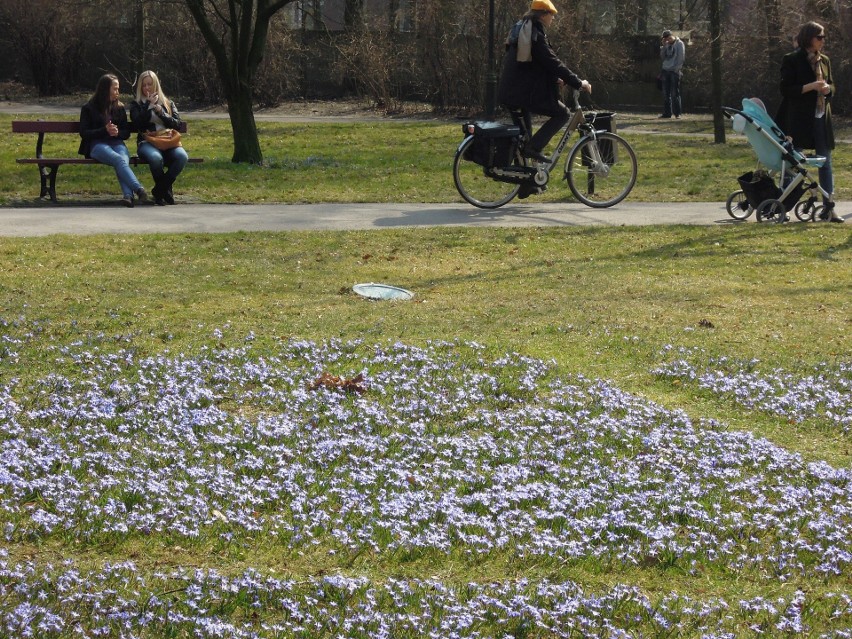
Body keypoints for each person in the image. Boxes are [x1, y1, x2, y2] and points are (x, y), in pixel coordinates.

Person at [497, 0, 591, 166]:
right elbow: (552, 62)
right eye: (551, 14)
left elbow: (532, 66)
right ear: (542, 15)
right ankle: (533, 149)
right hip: (522, 93)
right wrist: (578, 82)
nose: (553, 18)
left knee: (524, 138)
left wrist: (556, 79)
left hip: (513, 91)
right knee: (562, 114)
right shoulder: (534, 35)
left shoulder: (523, 30)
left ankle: (527, 183)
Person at [777, 21, 843, 222]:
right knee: (792, 163)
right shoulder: (792, 59)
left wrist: (827, 90)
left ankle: (828, 208)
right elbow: (786, 90)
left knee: (826, 161)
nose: (823, 41)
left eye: (824, 37)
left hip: (821, 118)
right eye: (820, 37)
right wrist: (811, 86)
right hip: (799, 119)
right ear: (809, 38)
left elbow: (832, 85)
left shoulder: (824, 60)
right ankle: (784, 207)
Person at [78, 74, 148, 207]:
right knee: (119, 160)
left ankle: (128, 196)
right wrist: (104, 130)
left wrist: (117, 133)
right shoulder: (88, 108)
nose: (118, 92)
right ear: (105, 89)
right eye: (115, 89)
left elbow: (126, 132)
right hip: (97, 145)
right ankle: (138, 189)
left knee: (121, 160)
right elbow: (84, 133)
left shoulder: (119, 108)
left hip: (116, 143)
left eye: (118, 89)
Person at [130, 70, 189, 206]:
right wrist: (147, 106)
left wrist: (161, 112)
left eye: (150, 84)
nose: (147, 88)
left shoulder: (168, 103)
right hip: (147, 143)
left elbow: (177, 124)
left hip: (168, 142)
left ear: (156, 85)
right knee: (156, 158)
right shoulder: (137, 104)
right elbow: (137, 123)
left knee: (182, 157)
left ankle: (160, 190)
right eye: (144, 85)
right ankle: (164, 193)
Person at [659, 30, 685, 119]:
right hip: (665, 70)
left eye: (669, 38)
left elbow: (681, 57)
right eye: (666, 38)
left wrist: (677, 69)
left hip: (674, 71)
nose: (668, 40)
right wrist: (664, 46)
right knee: (666, 93)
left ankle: (677, 113)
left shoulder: (679, 44)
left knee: (675, 93)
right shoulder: (666, 45)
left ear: (672, 36)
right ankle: (667, 113)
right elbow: (662, 57)